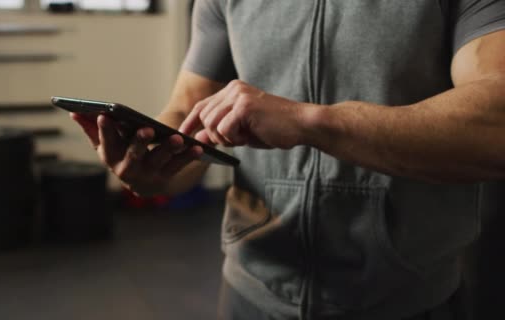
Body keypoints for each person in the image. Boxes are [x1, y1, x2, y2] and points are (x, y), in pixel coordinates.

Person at [71, 1, 505, 319]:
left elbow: (495, 125)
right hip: (251, 291)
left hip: (406, 297)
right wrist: (153, 169)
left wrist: (311, 122)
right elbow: (188, 112)